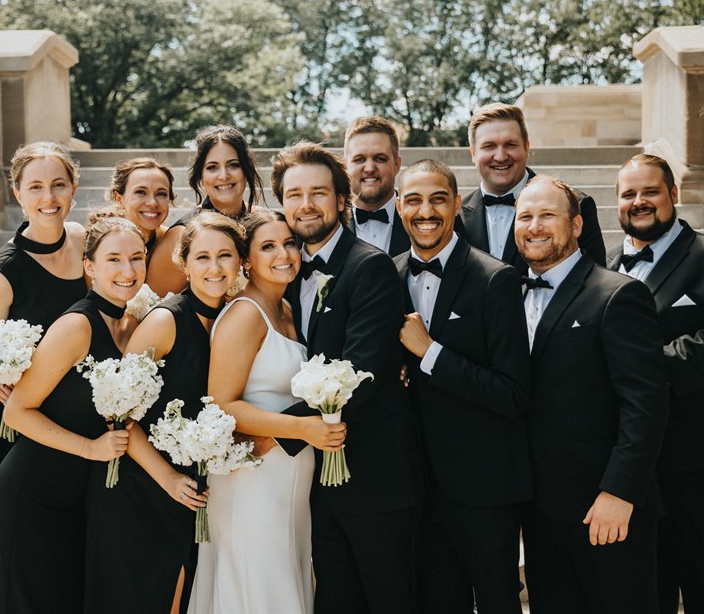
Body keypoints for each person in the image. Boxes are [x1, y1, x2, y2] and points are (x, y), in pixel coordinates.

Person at [0, 215, 144, 613]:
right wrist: (90, 449)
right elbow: (18, 412)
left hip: (76, 494)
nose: (128, 270)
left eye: (137, 258)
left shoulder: (132, 323)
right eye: (114, 260)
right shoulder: (76, 325)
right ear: (89, 267)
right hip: (32, 491)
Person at [609, 154, 704, 614]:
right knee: (646, 588)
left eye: (650, 191)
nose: (639, 202)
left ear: (674, 195)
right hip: (639, 462)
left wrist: (636, 372)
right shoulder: (607, 267)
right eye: (628, 194)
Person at [271, 141, 423, 614]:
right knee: (336, 599)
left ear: (342, 199)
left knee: (388, 599)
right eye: (294, 194)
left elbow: (363, 372)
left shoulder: (370, 266)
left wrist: (271, 431)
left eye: (318, 192)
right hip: (318, 479)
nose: (305, 204)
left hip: (375, 473)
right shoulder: (285, 270)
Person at [514, 175, 669, 614]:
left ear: (577, 226)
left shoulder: (618, 295)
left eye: (548, 215)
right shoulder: (505, 293)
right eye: (525, 216)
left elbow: (645, 403)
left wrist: (620, 493)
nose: (535, 226)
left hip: (606, 508)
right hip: (539, 510)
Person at [187, 210, 347, 614]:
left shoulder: (288, 310)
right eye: (268, 246)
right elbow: (222, 403)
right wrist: (300, 429)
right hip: (251, 479)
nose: (284, 254)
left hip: (289, 479)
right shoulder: (245, 314)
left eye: (289, 243)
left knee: (284, 578)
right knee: (258, 585)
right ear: (247, 260)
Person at [85, 211, 244, 614]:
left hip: (195, 490)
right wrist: (168, 477)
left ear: (240, 261)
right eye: (202, 257)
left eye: (224, 256)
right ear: (183, 263)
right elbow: (118, 411)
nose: (214, 267)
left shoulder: (234, 319)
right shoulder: (165, 321)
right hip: (142, 486)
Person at [394, 159, 532, 614]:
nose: (425, 211)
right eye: (413, 200)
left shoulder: (496, 279)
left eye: (437, 199)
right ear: (398, 207)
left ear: (457, 205)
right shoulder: (386, 276)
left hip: (483, 487)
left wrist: (429, 352)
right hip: (413, 486)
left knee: (497, 602)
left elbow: (513, 393)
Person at [0, 141, 87, 567]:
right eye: (37, 187)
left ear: (74, 189)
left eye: (59, 185)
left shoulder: (81, 242)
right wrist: (9, 380)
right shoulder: (2, 274)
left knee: (36, 543)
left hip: (45, 415)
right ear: (18, 193)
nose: (49, 198)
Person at [456, 103, 605, 274]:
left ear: (527, 148)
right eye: (489, 146)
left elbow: (596, 282)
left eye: (510, 144)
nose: (501, 156)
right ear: (473, 153)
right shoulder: (455, 216)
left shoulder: (577, 205)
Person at [148, 125, 264, 295]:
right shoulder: (182, 234)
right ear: (200, 177)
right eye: (212, 167)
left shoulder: (262, 221)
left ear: (246, 171)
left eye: (233, 165)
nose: (223, 175)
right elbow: (154, 302)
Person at [344, 116, 410, 256]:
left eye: (380, 158)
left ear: (397, 165)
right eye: (359, 159)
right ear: (345, 167)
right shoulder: (331, 224)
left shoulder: (420, 219)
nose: (369, 168)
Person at [109, 156, 176, 290]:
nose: (152, 203)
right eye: (141, 192)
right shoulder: (100, 243)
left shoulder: (172, 241)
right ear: (119, 198)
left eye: (161, 194)